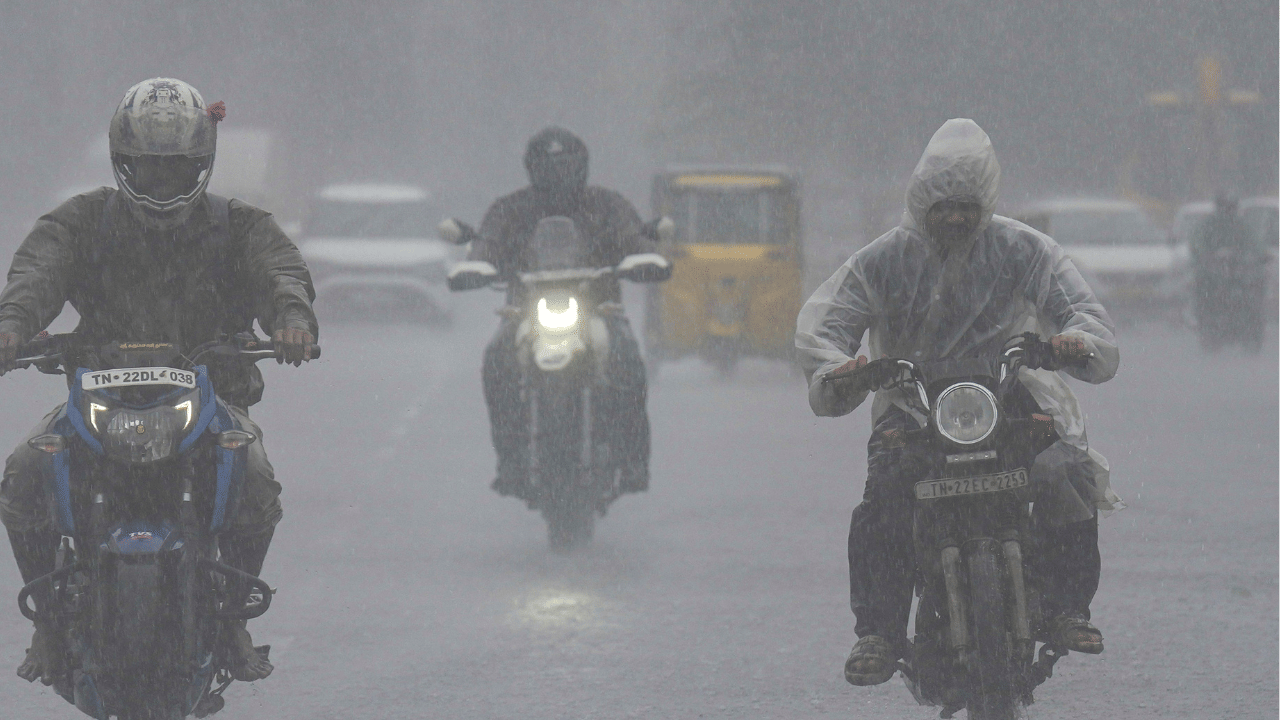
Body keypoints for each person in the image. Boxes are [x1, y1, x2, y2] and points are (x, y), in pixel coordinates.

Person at [0, 78, 317, 685]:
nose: (162, 183)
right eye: (148, 169)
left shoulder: (240, 225)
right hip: (95, 397)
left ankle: (233, 619)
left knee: (253, 477)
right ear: (122, 162)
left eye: (177, 170)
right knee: (23, 472)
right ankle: (47, 624)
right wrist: (12, 325)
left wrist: (293, 321)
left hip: (212, 401)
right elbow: (36, 273)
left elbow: (282, 273)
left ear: (203, 164)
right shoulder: (81, 220)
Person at [795, 119, 1124, 687]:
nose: (954, 217)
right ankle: (878, 631)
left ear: (985, 203)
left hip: (1008, 397)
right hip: (912, 405)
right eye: (943, 206)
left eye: (966, 206)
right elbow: (825, 328)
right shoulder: (881, 260)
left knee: (1062, 472)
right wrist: (842, 369)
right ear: (923, 201)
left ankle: (1068, 608)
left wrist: (1070, 342)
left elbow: (1083, 313)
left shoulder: (1024, 249)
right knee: (886, 495)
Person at [468, 126, 654, 499]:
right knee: (498, 360)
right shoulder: (511, 208)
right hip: (524, 311)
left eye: (566, 165)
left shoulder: (606, 205)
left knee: (627, 361)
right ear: (531, 167)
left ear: (582, 165)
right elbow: (488, 241)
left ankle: (633, 460)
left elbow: (633, 236)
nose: (557, 174)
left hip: (600, 308)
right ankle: (511, 460)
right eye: (548, 165)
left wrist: (645, 255)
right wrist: (476, 264)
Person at [1189, 192, 1268, 348]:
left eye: (1231, 207)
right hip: (1212, 272)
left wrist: (1261, 254)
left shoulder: (1241, 225)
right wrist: (1205, 256)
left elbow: (1255, 241)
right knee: (1204, 290)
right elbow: (1197, 241)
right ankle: (1207, 323)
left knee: (1256, 288)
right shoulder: (1208, 225)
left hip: (1239, 272)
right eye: (1225, 207)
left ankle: (1250, 326)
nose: (1228, 211)